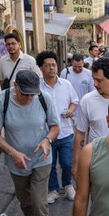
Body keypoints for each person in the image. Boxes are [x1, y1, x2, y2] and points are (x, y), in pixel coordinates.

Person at [0, 70, 60, 216]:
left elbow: (55, 126)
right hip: (16, 161)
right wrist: (13, 153)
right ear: (15, 87)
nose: (29, 98)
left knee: (40, 203)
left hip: (41, 158)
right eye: (25, 93)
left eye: (32, 94)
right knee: (25, 202)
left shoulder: (44, 98)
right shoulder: (1, 100)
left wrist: (47, 140)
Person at [36, 51, 78, 205]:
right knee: (50, 164)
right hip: (46, 134)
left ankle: (67, 185)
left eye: (53, 65)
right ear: (41, 68)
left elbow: (74, 101)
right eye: (47, 65)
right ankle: (53, 190)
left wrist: (71, 110)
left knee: (67, 163)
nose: (52, 68)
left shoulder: (66, 84)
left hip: (66, 131)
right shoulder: (38, 87)